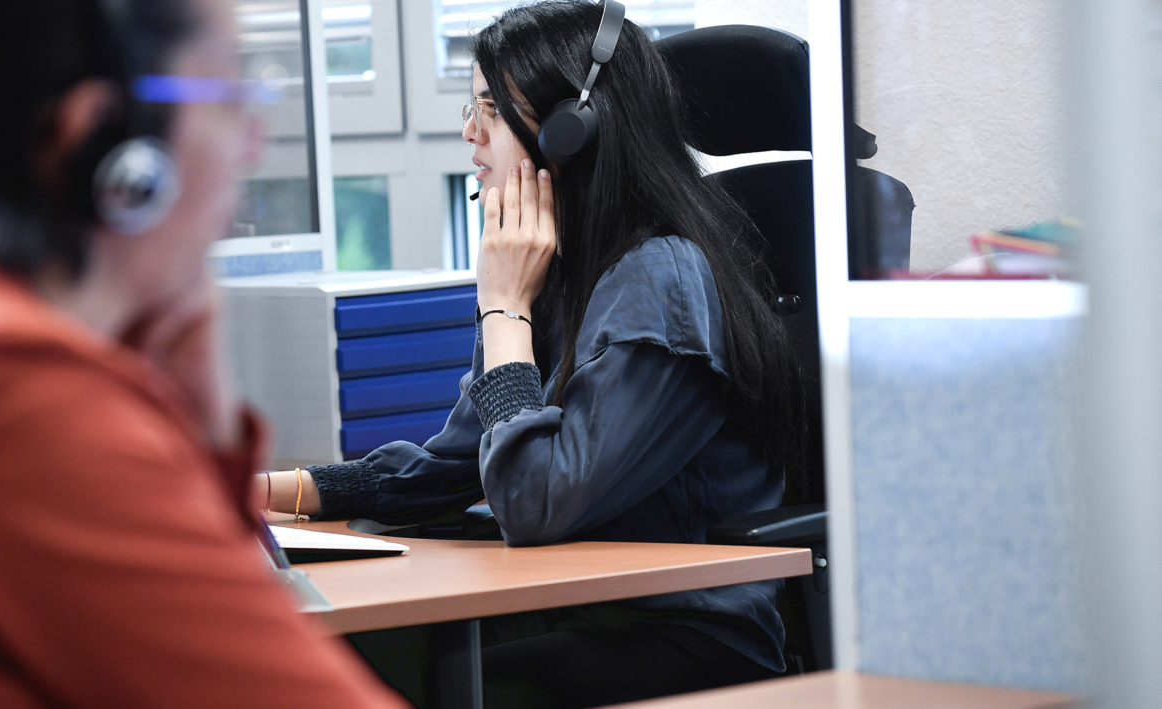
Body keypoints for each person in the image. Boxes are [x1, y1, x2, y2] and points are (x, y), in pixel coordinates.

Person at [258, 1, 809, 706]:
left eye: (489, 110)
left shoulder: (659, 279)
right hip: (576, 609)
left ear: (568, 133)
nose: (469, 133)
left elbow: (535, 498)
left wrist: (504, 308)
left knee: (392, 677)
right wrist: (284, 490)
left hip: (686, 634)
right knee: (324, 654)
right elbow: (453, 463)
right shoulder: (558, 274)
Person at [0, 1, 406, 707]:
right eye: (231, 90)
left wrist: (200, 424)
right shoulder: (6, 390)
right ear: (102, 144)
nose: (254, 141)